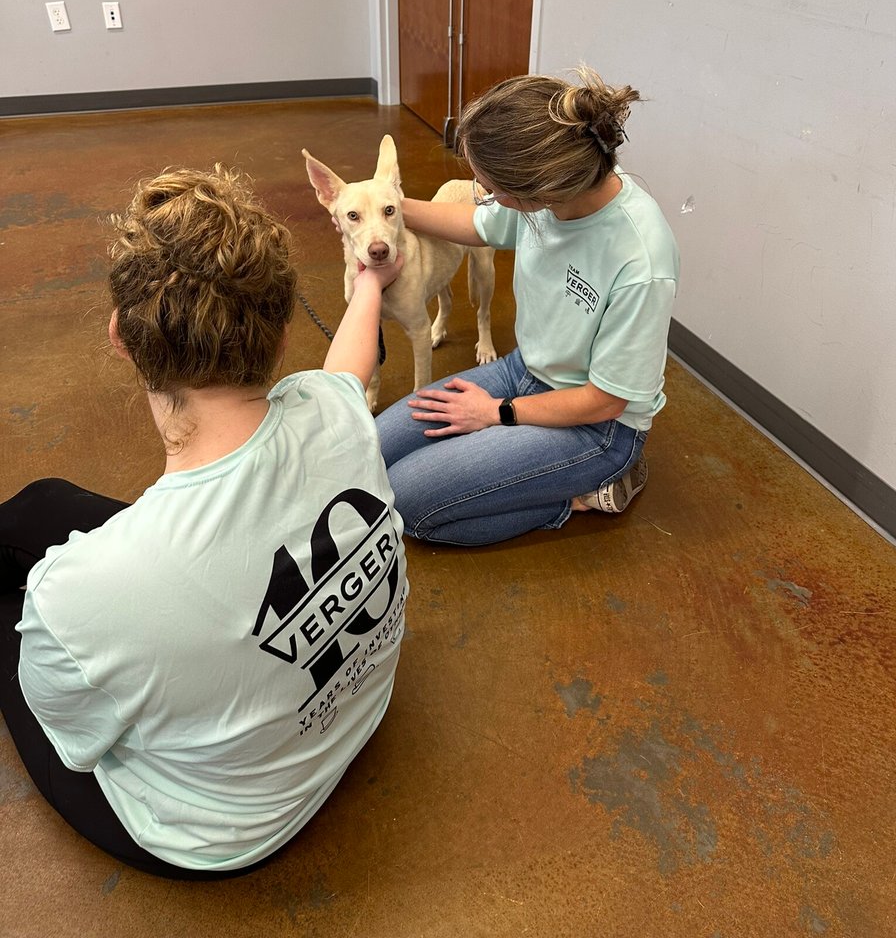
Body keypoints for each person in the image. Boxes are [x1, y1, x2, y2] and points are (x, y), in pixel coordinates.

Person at [0, 166, 408, 879]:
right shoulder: (337, 410)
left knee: (14, 613)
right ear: (282, 335)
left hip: (224, 833)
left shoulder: (78, 595)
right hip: (359, 710)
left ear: (121, 337)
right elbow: (351, 362)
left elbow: (79, 741)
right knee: (42, 505)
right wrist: (370, 284)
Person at [375, 67, 680, 547]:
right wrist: (383, 209)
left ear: (540, 192)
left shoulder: (640, 258)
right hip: (524, 368)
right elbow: (477, 224)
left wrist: (496, 413)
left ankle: (583, 494)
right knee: (372, 452)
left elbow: (606, 399)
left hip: (598, 426)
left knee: (406, 504)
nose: (485, 196)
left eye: (492, 189)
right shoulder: (559, 194)